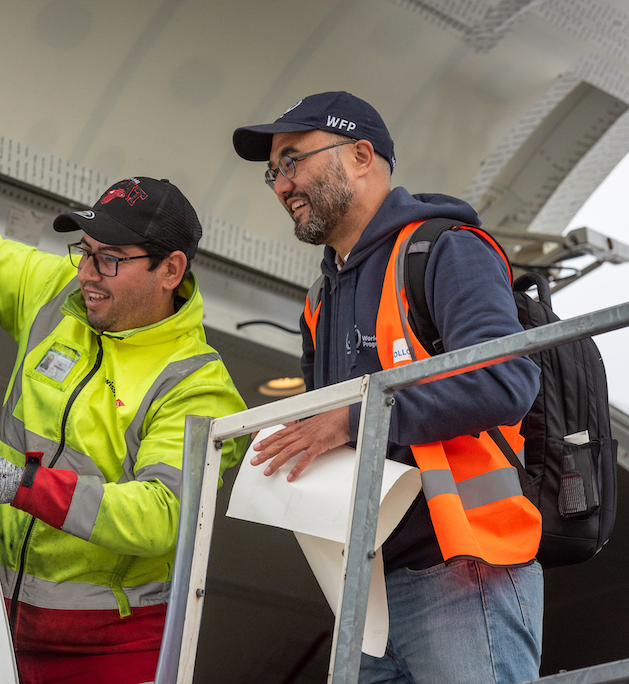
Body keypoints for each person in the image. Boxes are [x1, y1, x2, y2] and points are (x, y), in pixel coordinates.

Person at [0, 176, 248, 684]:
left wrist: (21, 486)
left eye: (109, 259)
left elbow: (164, 515)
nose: (87, 274)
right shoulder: (59, 290)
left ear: (171, 270)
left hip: (109, 652)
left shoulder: (197, 384)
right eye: (84, 252)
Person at [232, 92, 544, 684]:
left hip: (464, 565)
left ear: (361, 154)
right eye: (274, 172)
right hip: (368, 585)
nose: (280, 185)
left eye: (293, 160)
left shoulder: (445, 249)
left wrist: (353, 421)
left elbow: (507, 379)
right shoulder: (319, 301)